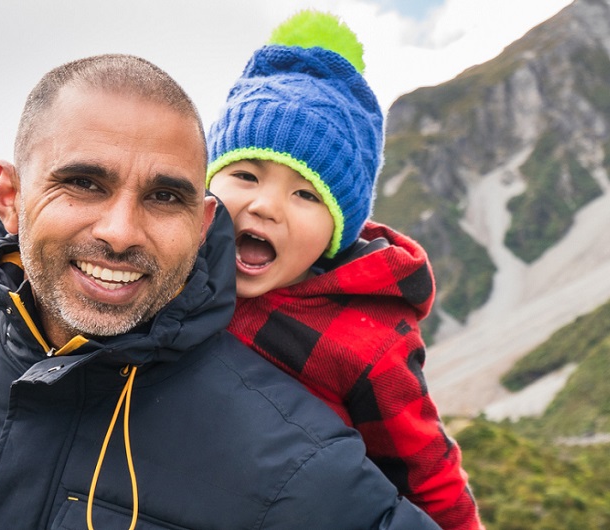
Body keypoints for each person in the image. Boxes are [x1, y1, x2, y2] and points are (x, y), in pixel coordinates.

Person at [0, 53, 440, 530]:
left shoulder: (298, 465)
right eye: (83, 183)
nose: (119, 232)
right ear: (10, 196)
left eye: (165, 197)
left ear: (202, 222)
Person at [205, 12, 480, 530]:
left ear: (339, 231)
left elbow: (428, 476)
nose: (266, 206)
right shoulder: (176, 275)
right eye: (245, 174)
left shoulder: (366, 340)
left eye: (305, 194)